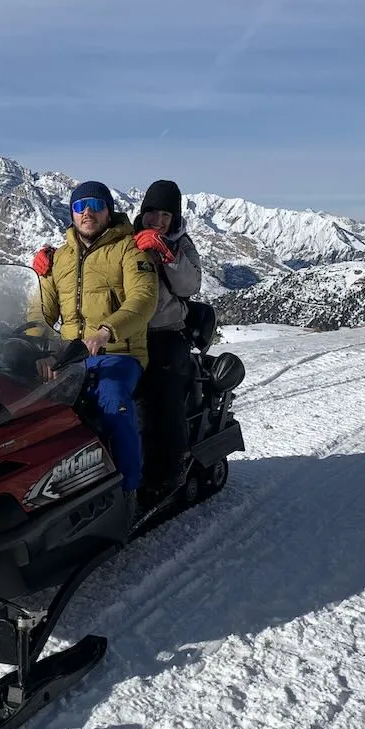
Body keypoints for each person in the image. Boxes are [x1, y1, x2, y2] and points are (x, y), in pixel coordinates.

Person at [32, 180, 158, 494]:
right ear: (72, 214)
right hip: (69, 356)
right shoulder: (58, 258)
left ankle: (129, 489)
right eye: (79, 206)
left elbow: (143, 299)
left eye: (96, 205)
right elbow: (41, 312)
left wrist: (106, 331)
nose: (87, 212)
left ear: (108, 211)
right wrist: (33, 346)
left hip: (118, 352)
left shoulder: (130, 248)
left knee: (113, 404)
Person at [132, 180, 203, 506]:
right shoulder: (123, 238)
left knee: (159, 393)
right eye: (152, 212)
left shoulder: (181, 244)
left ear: (174, 218)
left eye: (165, 214)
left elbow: (191, 285)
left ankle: (170, 467)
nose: (157, 220)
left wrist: (167, 253)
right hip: (126, 332)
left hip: (166, 332)